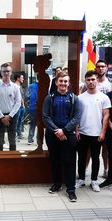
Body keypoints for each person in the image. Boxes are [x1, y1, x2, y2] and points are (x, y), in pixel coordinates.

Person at [43, 71, 81, 202]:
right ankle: (57, 184)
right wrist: (57, 131)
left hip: (68, 135)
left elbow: (76, 118)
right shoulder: (50, 97)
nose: (63, 83)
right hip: (52, 135)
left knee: (70, 162)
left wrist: (64, 131)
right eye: (61, 81)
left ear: (69, 83)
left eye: (65, 81)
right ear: (56, 82)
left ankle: (71, 189)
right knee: (55, 160)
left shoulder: (74, 98)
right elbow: (46, 117)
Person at [76, 70, 111, 192]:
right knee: (81, 157)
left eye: (93, 79)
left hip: (97, 133)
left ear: (97, 80)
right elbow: (77, 115)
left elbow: (106, 116)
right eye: (88, 80)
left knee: (96, 157)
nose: (91, 82)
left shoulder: (104, 98)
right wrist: (77, 130)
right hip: (83, 133)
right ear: (85, 81)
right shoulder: (80, 98)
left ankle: (94, 180)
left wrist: (102, 132)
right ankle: (80, 179)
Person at [0, 63, 21, 151]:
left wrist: (10, 116)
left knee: (12, 140)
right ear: (1, 72)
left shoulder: (15, 87)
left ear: (11, 72)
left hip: (12, 116)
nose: (6, 73)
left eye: (8, 71)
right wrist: (2, 117)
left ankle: (13, 160)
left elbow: (18, 103)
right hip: (0, 117)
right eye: (4, 71)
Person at [32, 54, 52, 153]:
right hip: (41, 105)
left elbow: (43, 94)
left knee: (41, 126)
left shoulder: (44, 77)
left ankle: (41, 147)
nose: (33, 66)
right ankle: (40, 146)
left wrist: (40, 106)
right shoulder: (43, 76)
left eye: (35, 64)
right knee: (40, 125)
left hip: (42, 106)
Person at [14, 73, 25, 140]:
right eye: (22, 77)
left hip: (21, 107)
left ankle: (19, 134)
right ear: (18, 78)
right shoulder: (14, 86)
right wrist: (23, 104)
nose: (23, 79)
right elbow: (19, 97)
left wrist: (23, 105)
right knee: (16, 121)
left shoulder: (20, 86)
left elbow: (22, 97)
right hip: (16, 107)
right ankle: (14, 135)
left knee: (20, 121)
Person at [27, 80, 38, 145]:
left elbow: (27, 96)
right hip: (41, 108)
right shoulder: (44, 87)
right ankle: (38, 140)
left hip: (32, 107)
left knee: (32, 124)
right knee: (40, 125)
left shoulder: (31, 86)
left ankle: (30, 139)